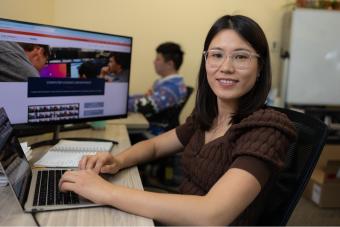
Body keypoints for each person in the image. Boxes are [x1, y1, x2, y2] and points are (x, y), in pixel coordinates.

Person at [59, 15, 297, 225]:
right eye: (216, 55)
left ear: (260, 67)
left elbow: (211, 215)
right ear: (206, 62)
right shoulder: (207, 116)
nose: (226, 67)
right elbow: (153, 147)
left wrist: (107, 192)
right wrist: (117, 161)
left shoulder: (268, 128)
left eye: (241, 57)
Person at [128, 42, 187, 120]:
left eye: (158, 59)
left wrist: (120, 104)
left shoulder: (173, 87)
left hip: (156, 130)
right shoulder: (164, 82)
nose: (154, 62)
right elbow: (146, 98)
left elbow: (147, 106)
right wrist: (125, 98)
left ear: (170, 64)